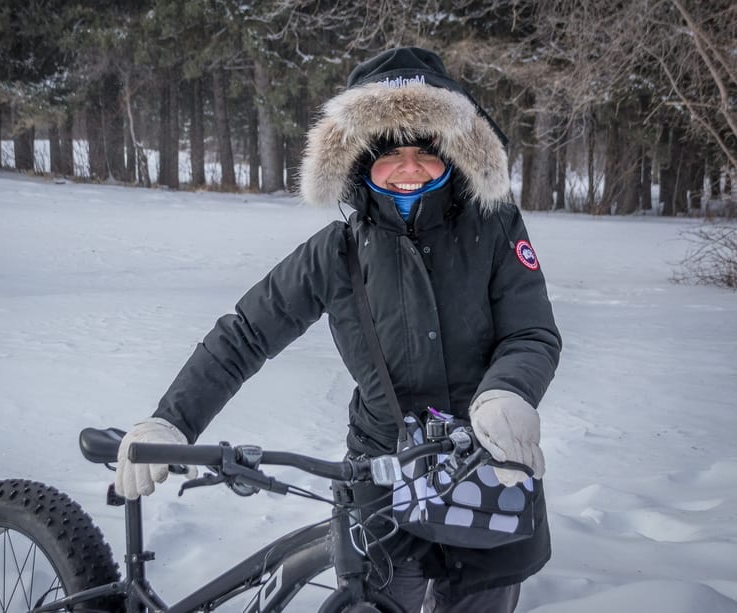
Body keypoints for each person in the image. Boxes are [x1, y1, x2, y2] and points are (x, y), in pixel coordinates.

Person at [115, 47, 561, 613]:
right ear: (356, 162)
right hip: (379, 478)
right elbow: (246, 333)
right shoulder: (338, 252)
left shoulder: (495, 229)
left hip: (486, 466)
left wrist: (508, 392)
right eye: (388, 153)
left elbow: (532, 332)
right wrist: (171, 419)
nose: (408, 166)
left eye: (424, 150)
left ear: (453, 152)